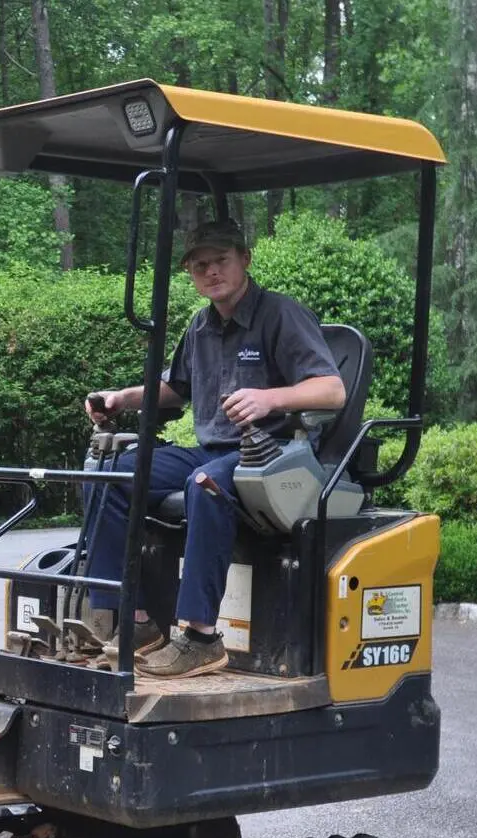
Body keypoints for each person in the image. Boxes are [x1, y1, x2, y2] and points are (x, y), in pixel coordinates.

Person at [80, 219, 346, 679]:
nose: (211, 272)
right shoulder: (201, 327)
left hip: (276, 454)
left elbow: (332, 390)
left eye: (221, 261)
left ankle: (202, 639)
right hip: (217, 451)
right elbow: (174, 388)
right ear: (190, 272)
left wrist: (270, 398)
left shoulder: (281, 315)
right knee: (115, 475)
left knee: (204, 485)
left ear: (244, 259)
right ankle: (135, 620)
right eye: (200, 265)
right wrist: (123, 398)